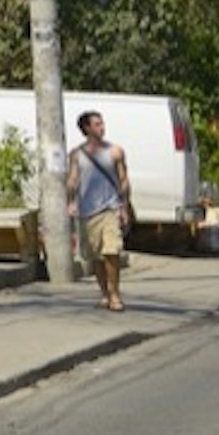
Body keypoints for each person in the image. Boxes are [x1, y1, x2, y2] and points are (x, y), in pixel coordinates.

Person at [64, 108, 135, 311]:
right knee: (95, 255)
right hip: (87, 211)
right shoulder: (77, 154)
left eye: (102, 123)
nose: (102, 127)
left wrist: (124, 206)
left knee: (112, 251)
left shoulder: (115, 151)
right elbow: (72, 180)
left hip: (110, 208)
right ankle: (104, 293)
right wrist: (70, 201)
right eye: (97, 124)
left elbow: (123, 180)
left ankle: (115, 294)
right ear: (86, 128)